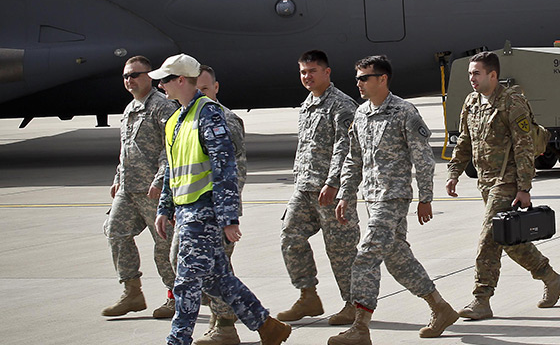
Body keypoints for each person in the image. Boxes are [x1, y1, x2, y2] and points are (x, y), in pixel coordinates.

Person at [151, 54, 290, 345]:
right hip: (185, 210)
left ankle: (178, 340)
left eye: (164, 80)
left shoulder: (209, 114)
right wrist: (164, 208)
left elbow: (225, 167)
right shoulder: (175, 119)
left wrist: (228, 219)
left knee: (187, 282)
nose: (160, 85)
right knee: (216, 279)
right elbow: (171, 168)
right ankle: (267, 326)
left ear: (180, 80)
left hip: (204, 213)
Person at [329, 55, 458, 345]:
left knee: (366, 256)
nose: (358, 83)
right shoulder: (361, 114)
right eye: (357, 78)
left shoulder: (404, 112)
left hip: (394, 197)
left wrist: (426, 197)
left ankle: (360, 327)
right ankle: (440, 308)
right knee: (397, 258)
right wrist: (346, 195)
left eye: (364, 78)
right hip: (372, 197)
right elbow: (354, 159)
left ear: (382, 79)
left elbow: (423, 158)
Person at [446, 51, 560, 320]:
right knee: (509, 239)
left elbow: (524, 146)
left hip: (508, 180)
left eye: (476, 73)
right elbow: (464, 140)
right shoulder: (472, 102)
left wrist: (524, 187)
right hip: (486, 182)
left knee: (488, 240)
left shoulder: (512, 102)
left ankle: (481, 299)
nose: (472, 79)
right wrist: (454, 173)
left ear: (493, 75)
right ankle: (552, 278)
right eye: (470, 74)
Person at [277, 51, 360, 325]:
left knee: (341, 250)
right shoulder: (307, 105)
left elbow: (344, 147)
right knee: (290, 236)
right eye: (302, 72)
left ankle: (354, 305)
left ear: (327, 72)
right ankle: (308, 296)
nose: (307, 76)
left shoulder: (342, 105)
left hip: (330, 191)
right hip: (305, 187)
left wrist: (333, 182)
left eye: (312, 71)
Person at [102, 55, 178, 318]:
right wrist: (117, 178)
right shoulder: (130, 108)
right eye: (125, 76)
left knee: (164, 245)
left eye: (135, 74)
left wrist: (160, 179)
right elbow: (126, 149)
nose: (129, 80)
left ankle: (175, 296)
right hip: (128, 188)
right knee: (115, 232)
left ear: (150, 76)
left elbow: (170, 149)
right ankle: (132, 291)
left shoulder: (163, 107)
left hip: (153, 190)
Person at [180, 65, 249, 345]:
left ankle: (226, 326)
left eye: (205, 89)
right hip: (193, 210)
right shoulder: (186, 118)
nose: (201, 94)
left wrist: (225, 214)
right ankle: (227, 322)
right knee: (206, 269)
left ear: (215, 88)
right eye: (197, 89)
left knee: (214, 270)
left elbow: (233, 172)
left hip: (216, 212)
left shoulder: (224, 120)